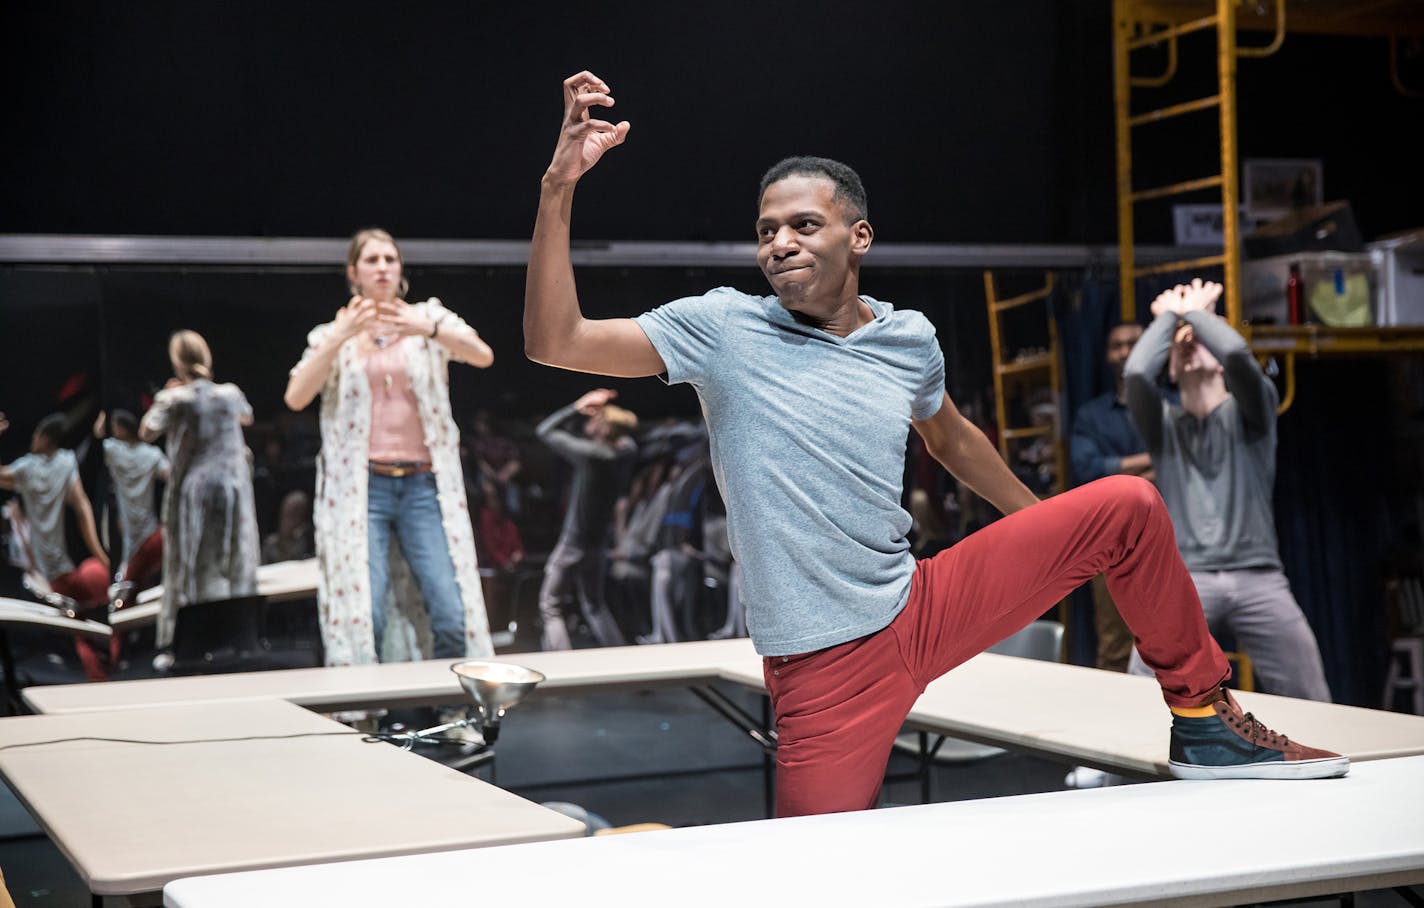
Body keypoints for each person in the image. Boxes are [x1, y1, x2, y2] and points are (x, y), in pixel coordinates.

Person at [524, 71, 1347, 817]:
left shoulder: (909, 339)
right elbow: (554, 339)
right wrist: (559, 186)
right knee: (814, 871)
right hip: (824, 669)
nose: (780, 243)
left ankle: (1203, 720)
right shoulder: (722, 328)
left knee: (1127, 506)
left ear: (860, 238)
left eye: (804, 224)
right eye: (767, 230)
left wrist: (1052, 538)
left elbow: (951, 436)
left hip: (921, 605)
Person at [284, 228, 494, 667]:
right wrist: (341, 334)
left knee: (452, 613)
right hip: (364, 490)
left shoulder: (426, 318)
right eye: (372, 260)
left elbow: (481, 355)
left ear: (400, 269)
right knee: (366, 616)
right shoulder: (332, 334)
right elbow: (296, 396)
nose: (382, 267)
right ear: (353, 272)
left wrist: (428, 327)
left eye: (390, 259)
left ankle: (456, 719)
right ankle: (368, 718)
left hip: (422, 484)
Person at [1124, 279, 1332, 702]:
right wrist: (1171, 316)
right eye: (1181, 345)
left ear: (1218, 363)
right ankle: (1114, 772)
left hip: (1259, 578)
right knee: (1140, 683)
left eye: (1201, 339)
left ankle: (1325, 760)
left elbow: (1237, 353)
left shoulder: (1254, 413)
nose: (1190, 344)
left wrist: (1194, 313)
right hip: (1189, 577)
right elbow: (1135, 373)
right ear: (1172, 368)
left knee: (1308, 688)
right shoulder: (1163, 426)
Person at [140, 330, 260, 652]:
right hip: (233, 484)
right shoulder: (230, 393)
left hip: (198, 487)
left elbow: (147, 431)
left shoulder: (174, 399)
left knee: (195, 562)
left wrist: (173, 392)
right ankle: (237, 636)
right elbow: (246, 417)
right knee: (235, 555)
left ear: (178, 362)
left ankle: (194, 640)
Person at [0, 414, 113, 679]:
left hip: (42, 573)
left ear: (44, 439)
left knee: (69, 629)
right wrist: (101, 555)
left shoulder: (28, 466)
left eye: (35, 437)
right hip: (62, 566)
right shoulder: (66, 462)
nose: (32, 442)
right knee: (79, 622)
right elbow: (82, 507)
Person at [1069, 322, 1150, 674]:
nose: (1125, 352)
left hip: (1176, 536)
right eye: (1117, 345)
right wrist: (1157, 460)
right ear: (1106, 354)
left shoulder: (1175, 406)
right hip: (1111, 541)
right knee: (1115, 647)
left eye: (1134, 343)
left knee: (1176, 641)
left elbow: (1192, 458)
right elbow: (1088, 469)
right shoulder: (1092, 415)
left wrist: (1122, 473)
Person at [534, 388, 638, 650]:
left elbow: (544, 431)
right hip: (598, 544)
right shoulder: (626, 453)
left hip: (573, 542)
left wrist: (577, 406)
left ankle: (562, 665)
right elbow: (625, 440)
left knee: (550, 605)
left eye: (595, 420)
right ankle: (624, 660)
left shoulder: (591, 456)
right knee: (594, 604)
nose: (589, 422)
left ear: (603, 429)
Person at [94, 409, 168, 590]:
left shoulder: (114, 451)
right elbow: (170, 475)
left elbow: (98, 433)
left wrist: (104, 414)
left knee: (128, 575)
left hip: (129, 526)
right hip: (149, 527)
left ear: (122, 429)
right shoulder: (151, 453)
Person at [262, 489, 315, 564]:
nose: (286, 521)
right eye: (285, 515)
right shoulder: (270, 544)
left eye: (294, 515)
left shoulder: (305, 540)